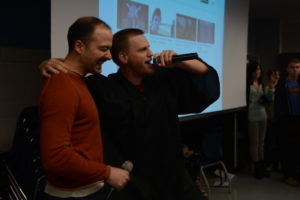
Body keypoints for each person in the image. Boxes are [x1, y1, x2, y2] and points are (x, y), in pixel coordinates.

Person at [40, 28, 220, 200]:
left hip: (173, 179)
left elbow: (208, 89)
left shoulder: (164, 82)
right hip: (132, 185)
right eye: (143, 50)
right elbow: (72, 80)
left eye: (149, 47)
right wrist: (50, 64)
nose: (151, 53)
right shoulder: (103, 89)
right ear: (123, 57)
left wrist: (181, 62)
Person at [38, 17, 129, 200]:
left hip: (84, 190)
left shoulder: (76, 80)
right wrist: (107, 172)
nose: (109, 56)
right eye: (103, 49)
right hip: (73, 195)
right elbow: (55, 158)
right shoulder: (62, 85)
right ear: (79, 47)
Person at [274, 58, 300, 186]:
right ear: (287, 69)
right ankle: (288, 175)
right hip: (287, 120)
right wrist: (280, 119)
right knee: (288, 148)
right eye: (292, 67)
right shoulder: (283, 84)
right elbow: (278, 104)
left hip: (298, 119)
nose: (295, 70)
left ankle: (295, 174)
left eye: (297, 67)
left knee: (297, 149)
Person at [246, 61, 268, 179]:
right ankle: (256, 167)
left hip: (263, 115)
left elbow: (266, 99)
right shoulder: (247, 84)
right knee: (254, 143)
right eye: (255, 70)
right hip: (252, 116)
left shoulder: (261, 83)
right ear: (251, 72)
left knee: (261, 142)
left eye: (259, 69)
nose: (257, 72)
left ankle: (261, 166)